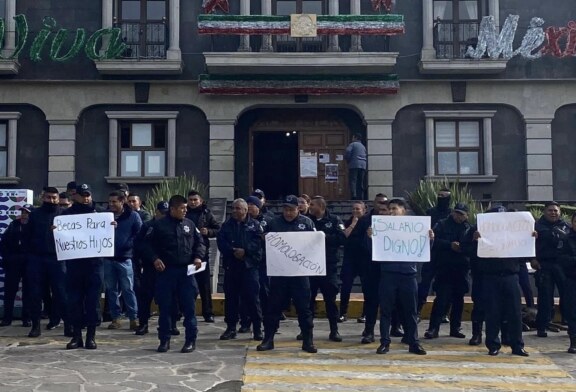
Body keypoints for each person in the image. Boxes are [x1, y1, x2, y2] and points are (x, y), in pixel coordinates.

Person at [139, 195, 205, 353]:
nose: (185, 211)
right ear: (173, 209)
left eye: (186, 208)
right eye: (182, 208)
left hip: (186, 272)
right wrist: (154, 258)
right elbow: (144, 244)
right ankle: (164, 340)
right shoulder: (159, 225)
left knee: (189, 308)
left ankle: (190, 340)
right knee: (165, 307)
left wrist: (198, 256)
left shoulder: (189, 224)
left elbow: (200, 243)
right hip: (167, 272)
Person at [465, 206, 530, 357]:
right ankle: (493, 345)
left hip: (511, 275)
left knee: (514, 312)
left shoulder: (514, 231)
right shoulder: (478, 230)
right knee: (492, 312)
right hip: (490, 276)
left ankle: (517, 345)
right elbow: (466, 250)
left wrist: (531, 238)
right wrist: (474, 240)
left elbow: (526, 251)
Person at [257, 195, 318, 353]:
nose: (288, 213)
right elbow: (261, 237)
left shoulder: (306, 222)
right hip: (280, 273)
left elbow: (315, 245)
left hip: (300, 273)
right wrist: (264, 238)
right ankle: (268, 339)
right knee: (273, 308)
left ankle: (308, 341)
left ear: (298, 209)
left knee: (304, 309)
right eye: (285, 209)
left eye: (291, 209)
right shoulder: (274, 222)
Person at [368, 199, 430, 355]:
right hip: (388, 274)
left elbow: (424, 251)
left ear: (404, 210)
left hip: (408, 275)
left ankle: (414, 342)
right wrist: (370, 238)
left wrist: (431, 239)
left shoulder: (415, 227)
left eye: (394, 208)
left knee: (411, 311)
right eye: (389, 209)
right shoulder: (381, 227)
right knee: (386, 311)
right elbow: (373, 252)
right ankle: (384, 342)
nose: (391, 211)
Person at [63, 184, 105, 349]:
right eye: (82, 195)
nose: (86, 198)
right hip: (74, 265)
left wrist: (111, 227)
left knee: (93, 302)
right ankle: (76, 336)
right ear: (76, 196)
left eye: (88, 194)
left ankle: (91, 336)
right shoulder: (66, 215)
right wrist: (56, 231)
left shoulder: (101, 213)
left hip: (94, 265)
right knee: (74, 301)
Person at [217, 198, 264, 341]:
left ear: (245, 210)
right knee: (231, 299)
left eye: (238, 208)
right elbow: (221, 243)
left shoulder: (255, 225)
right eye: (233, 208)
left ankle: (257, 328)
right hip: (232, 266)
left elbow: (258, 243)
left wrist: (246, 251)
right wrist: (233, 251)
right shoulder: (226, 226)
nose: (235, 211)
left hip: (249, 267)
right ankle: (231, 328)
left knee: (252, 298)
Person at [26, 187, 69, 338]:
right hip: (37, 259)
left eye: (54, 198)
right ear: (43, 198)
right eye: (48, 197)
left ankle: (68, 326)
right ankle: (36, 326)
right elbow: (27, 236)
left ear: (58, 199)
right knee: (35, 294)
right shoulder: (35, 215)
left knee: (61, 293)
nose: (51, 200)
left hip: (58, 258)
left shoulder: (64, 215)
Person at [425, 203, 472, 339]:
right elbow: (433, 242)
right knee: (441, 299)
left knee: (458, 300)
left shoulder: (468, 228)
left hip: (461, 269)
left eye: (461, 214)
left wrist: (462, 247)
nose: (458, 216)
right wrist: (449, 245)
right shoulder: (442, 224)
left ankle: (455, 328)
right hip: (444, 268)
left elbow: (472, 247)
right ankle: (433, 328)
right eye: (456, 213)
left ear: (466, 216)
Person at [134, 201, 180, 336]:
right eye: (162, 213)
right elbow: (139, 244)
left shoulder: (173, 226)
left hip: (168, 268)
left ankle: (172, 324)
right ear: (157, 212)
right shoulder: (148, 226)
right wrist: (149, 259)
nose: (165, 215)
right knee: (145, 297)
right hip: (150, 267)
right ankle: (143, 324)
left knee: (171, 298)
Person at [304, 196, 346, 341]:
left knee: (330, 299)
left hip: (328, 266)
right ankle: (306, 330)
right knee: (308, 300)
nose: (310, 207)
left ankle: (334, 330)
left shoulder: (334, 220)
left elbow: (342, 238)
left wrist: (324, 238)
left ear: (321, 206)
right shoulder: (306, 221)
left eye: (313, 205)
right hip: (309, 266)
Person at [104, 191, 142, 331]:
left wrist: (128, 245)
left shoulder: (133, 216)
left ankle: (133, 318)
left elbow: (139, 234)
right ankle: (115, 318)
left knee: (128, 289)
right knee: (111, 289)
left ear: (122, 202)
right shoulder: (105, 217)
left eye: (114, 202)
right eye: (110, 202)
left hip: (125, 258)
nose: (111, 204)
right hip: (108, 258)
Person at [532, 201, 570, 337]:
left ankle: (569, 323)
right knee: (545, 297)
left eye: (555, 211)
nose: (553, 213)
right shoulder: (536, 227)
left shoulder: (566, 227)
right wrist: (532, 259)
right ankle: (542, 326)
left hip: (562, 266)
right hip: (544, 265)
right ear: (544, 212)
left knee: (567, 295)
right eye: (550, 210)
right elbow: (528, 244)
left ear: (559, 212)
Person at [355, 194, 388, 341]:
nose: (382, 208)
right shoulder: (364, 221)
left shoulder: (394, 223)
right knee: (371, 300)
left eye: (385, 206)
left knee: (392, 300)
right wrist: (368, 238)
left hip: (389, 269)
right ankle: (369, 330)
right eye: (380, 204)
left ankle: (395, 328)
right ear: (374, 204)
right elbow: (356, 242)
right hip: (370, 267)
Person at [186, 190, 220, 323]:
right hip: (186, 254)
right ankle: (185, 311)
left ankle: (208, 312)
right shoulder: (184, 213)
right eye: (191, 200)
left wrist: (209, 231)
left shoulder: (206, 214)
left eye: (195, 200)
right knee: (187, 286)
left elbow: (218, 229)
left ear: (200, 201)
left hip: (202, 254)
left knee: (204, 286)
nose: (193, 202)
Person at [418, 188, 452, 315]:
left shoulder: (451, 213)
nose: (441, 198)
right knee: (425, 283)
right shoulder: (430, 212)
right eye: (439, 196)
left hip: (446, 256)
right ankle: (418, 310)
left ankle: (444, 313)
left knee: (444, 286)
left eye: (444, 196)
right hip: (431, 253)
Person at [0, 204, 33, 327]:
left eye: (27, 212)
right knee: (10, 290)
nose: (24, 214)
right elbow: (3, 242)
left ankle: (27, 318)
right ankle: (7, 317)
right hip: (13, 262)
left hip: (29, 262)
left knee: (28, 291)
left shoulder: (34, 226)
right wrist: (7, 257)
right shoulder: (14, 224)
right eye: (23, 212)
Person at [339, 201, 367, 322]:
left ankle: (365, 314)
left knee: (366, 287)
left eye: (358, 209)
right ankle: (343, 312)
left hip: (364, 259)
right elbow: (344, 235)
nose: (355, 211)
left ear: (364, 210)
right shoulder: (348, 221)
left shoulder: (368, 222)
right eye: (353, 209)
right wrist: (353, 223)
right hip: (350, 258)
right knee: (346, 286)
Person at [560, 212, 576, 353]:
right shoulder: (566, 239)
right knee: (572, 312)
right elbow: (562, 259)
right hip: (572, 279)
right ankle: (574, 341)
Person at [344, 133, 367, 200]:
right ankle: (361, 196)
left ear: (355, 138)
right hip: (363, 166)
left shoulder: (352, 144)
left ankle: (354, 195)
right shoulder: (363, 146)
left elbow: (348, 152)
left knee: (353, 180)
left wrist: (348, 160)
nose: (352, 138)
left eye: (353, 137)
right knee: (361, 181)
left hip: (354, 165)